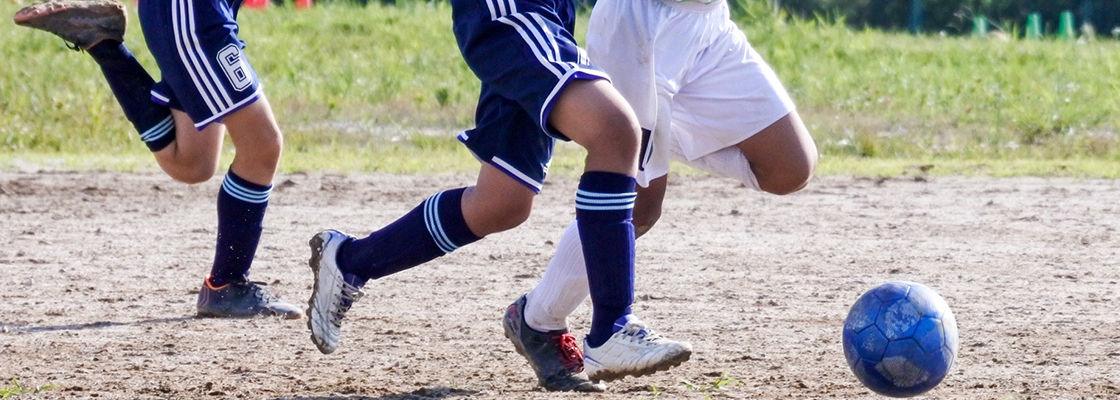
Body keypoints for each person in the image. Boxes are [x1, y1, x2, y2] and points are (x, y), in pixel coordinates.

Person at [303, 0, 692, 391]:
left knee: (502, 202)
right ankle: (612, 327)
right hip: (510, 9)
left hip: (546, 12)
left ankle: (350, 260)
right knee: (615, 130)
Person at [500, 0, 819, 391]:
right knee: (640, 208)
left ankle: (654, 139)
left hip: (707, 25)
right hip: (640, 26)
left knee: (790, 167)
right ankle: (541, 321)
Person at [14, 0, 301, 319]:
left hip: (198, 14)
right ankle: (226, 285)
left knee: (192, 162)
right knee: (262, 145)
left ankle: (101, 41)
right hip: (192, 15)